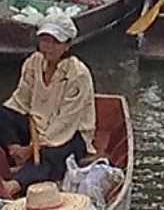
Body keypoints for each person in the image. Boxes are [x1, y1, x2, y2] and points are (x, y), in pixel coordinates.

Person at [0, 15, 95, 199]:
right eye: (44, 40)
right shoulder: (33, 62)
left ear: (67, 45)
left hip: (71, 134)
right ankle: (15, 156)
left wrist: (31, 149)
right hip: (36, 125)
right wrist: (15, 146)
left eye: (55, 42)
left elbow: (64, 124)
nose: (48, 46)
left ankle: (12, 185)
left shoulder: (78, 74)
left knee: (52, 154)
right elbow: (20, 101)